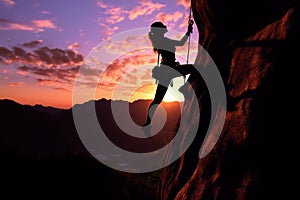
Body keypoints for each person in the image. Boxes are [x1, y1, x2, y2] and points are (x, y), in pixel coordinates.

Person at [143, 21, 195, 127]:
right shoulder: (164, 41)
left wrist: (188, 32)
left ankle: (148, 122)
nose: (166, 28)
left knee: (157, 99)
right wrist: (188, 31)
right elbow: (181, 43)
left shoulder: (158, 41)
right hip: (171, 69)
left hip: (165, 71)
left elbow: (180, 44)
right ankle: (184, 88)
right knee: (193, 68)